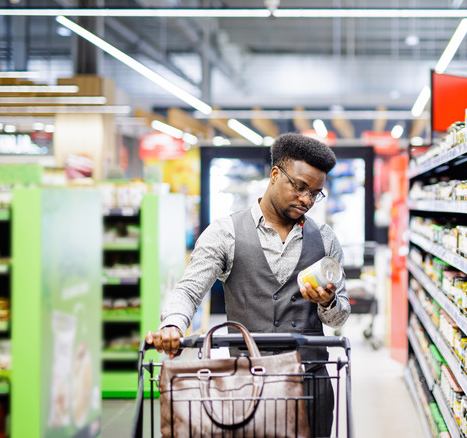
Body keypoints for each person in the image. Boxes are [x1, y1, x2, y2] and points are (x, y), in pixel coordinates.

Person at [146, 132, 351, 436]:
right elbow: (189, 289)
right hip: (248, 386)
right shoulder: (225, 233)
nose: (307, 199)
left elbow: (340, 317)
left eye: (316, 193)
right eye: (300, 187)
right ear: (274, 175)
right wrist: (173, 324)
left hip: (311, 384)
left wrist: (327, 302)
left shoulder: (325, 239)